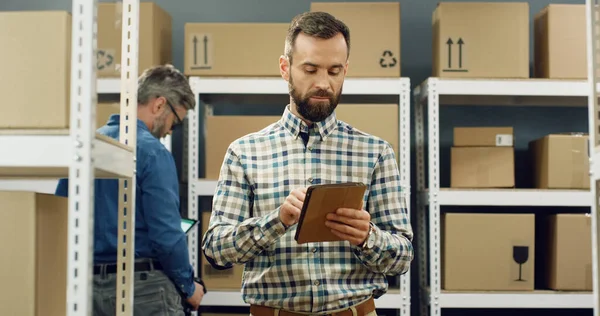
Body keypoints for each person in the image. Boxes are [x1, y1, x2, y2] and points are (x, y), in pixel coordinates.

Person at [201, 11, 413, 316]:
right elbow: (216, 251)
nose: (323, 83)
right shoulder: (244, 153)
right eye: (311, 69)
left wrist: (368, 236)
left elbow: (403, 258)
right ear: (285, 69)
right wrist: (278, 220)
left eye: (334, 71)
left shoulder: (376, 153)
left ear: (345, 70)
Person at [55, 64, 205, 315]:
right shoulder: (153, 152)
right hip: (141, 290)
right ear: (159, 105)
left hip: (86, 288)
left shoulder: (86, 147)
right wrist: (188, 287)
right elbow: (167, 235)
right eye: (175, 122)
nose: (170, 130)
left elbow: (60, 218)